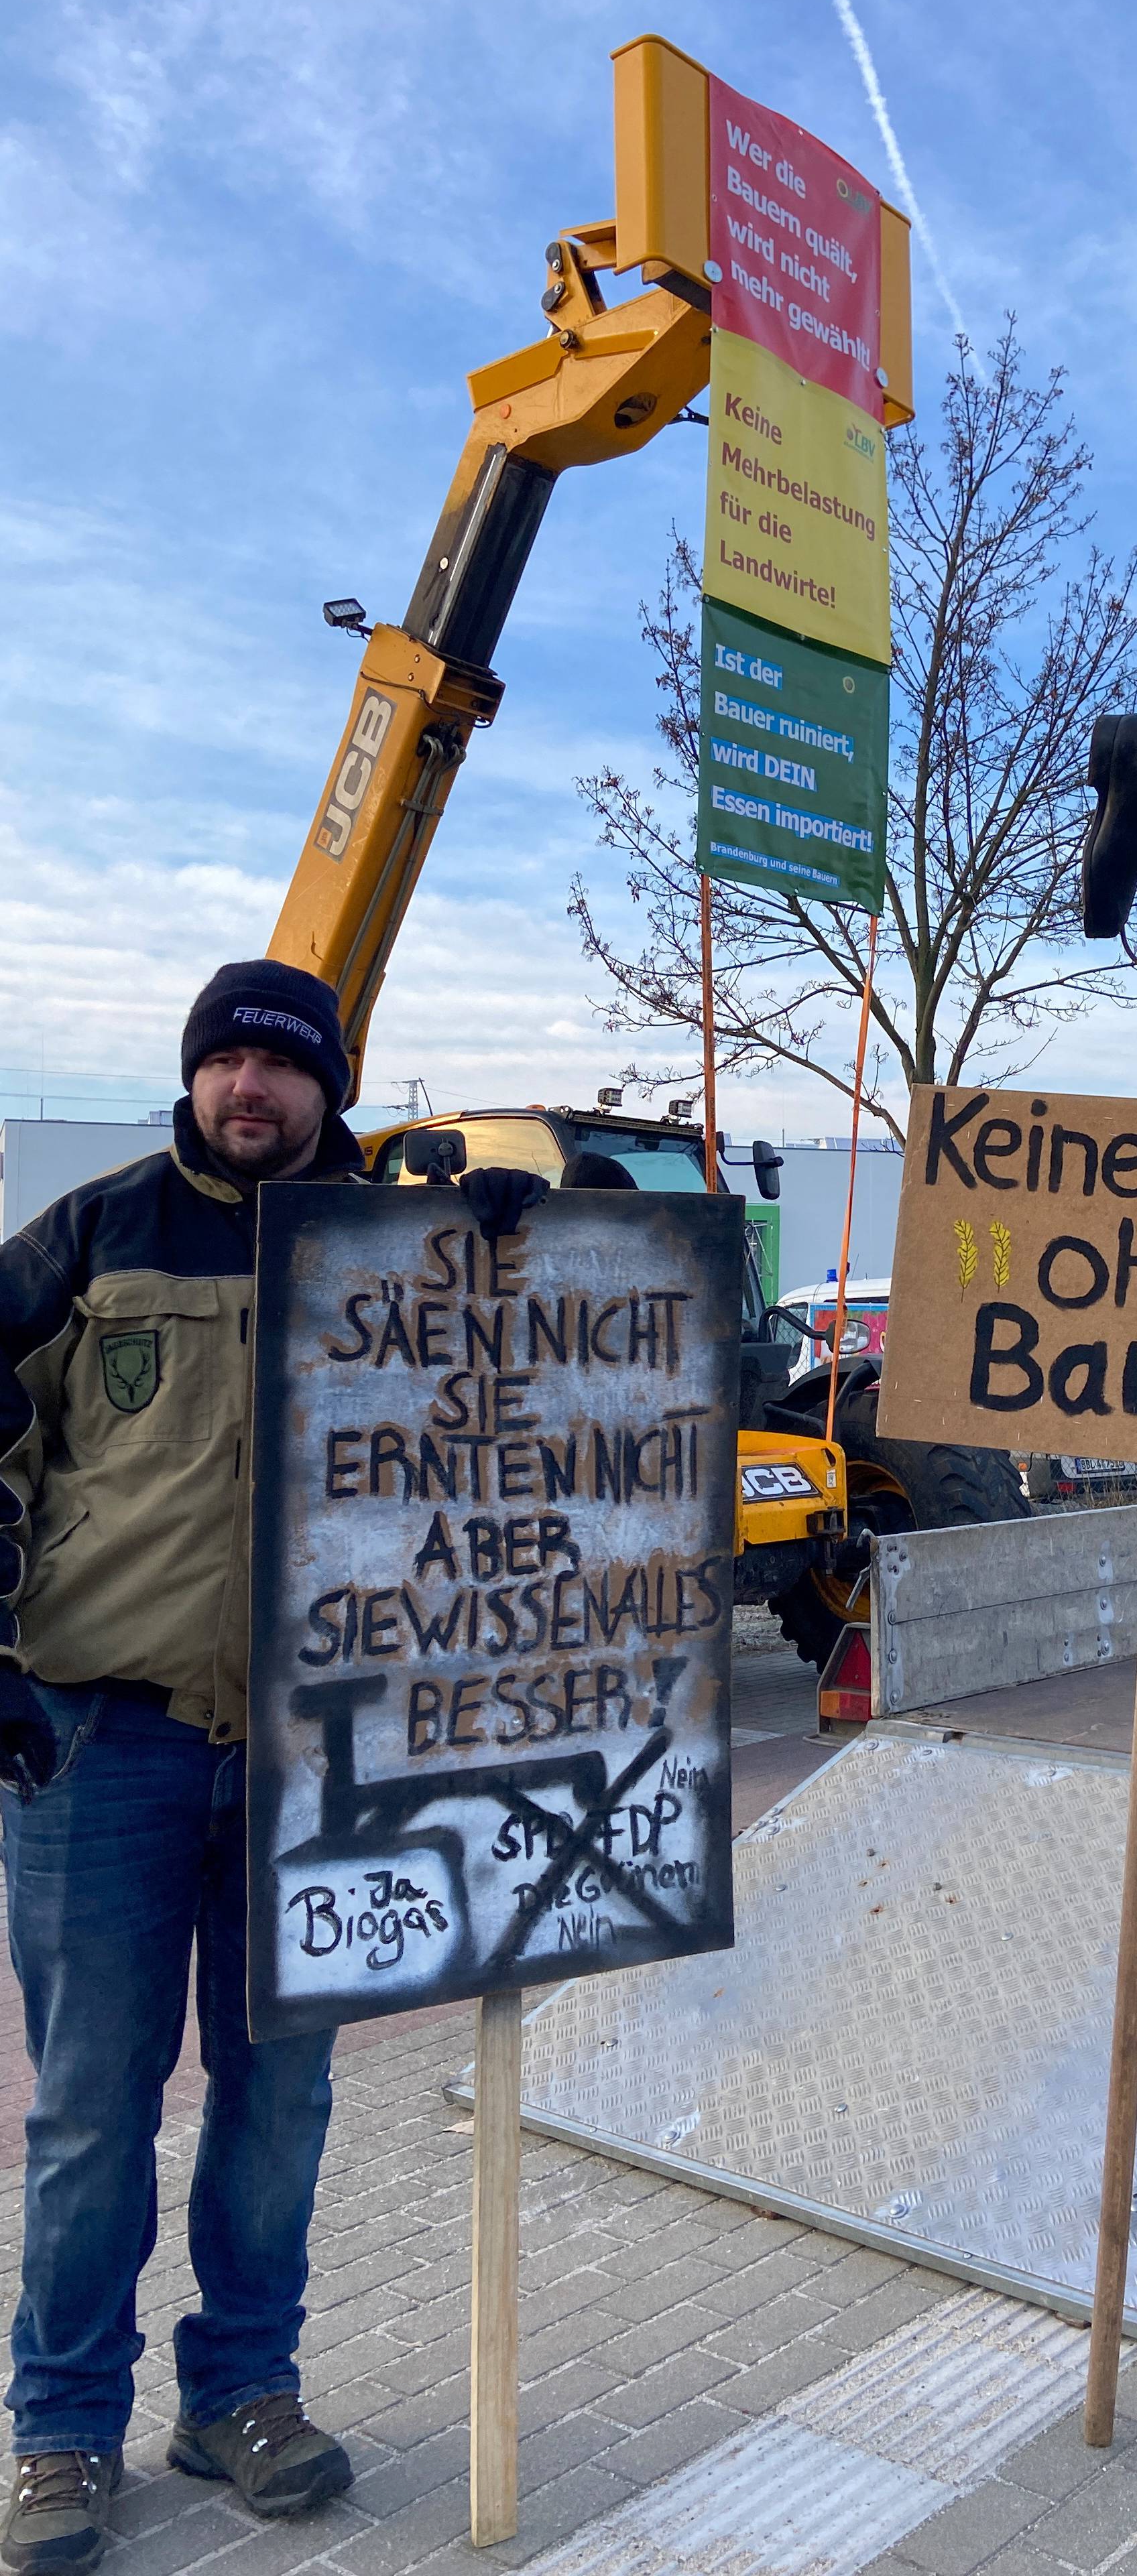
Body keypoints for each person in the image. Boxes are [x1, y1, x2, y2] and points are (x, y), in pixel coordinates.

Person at [0, 962, 373, 2572]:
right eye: (224, 1057)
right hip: (106, 1740)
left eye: (280, 1066)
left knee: (280, 2089)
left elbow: (564, 1393)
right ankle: (63, 2426)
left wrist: (542, 1229)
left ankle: (240, 2387)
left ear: (327, 1086)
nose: (249, 1087)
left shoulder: (404, 1242)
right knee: (92, 2105)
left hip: (325, 1745)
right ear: (192, 1074)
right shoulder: (88, 1237)